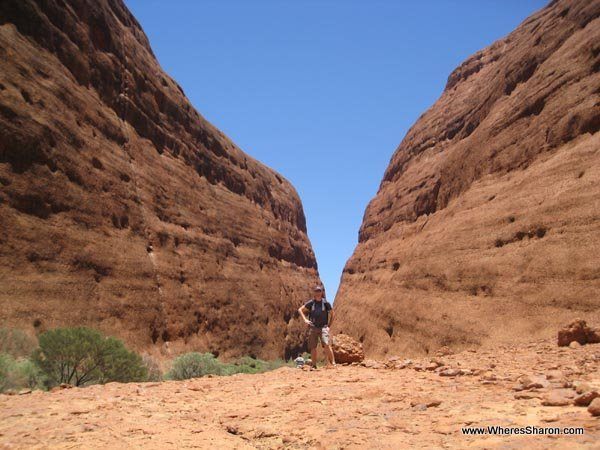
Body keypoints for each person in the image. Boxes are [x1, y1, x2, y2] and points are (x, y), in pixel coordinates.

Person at [298, 286, 336, 367]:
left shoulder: (326, 303)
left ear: (321, 293)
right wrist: (305, 319)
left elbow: (333, 313)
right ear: (314, 293)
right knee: (313, 347)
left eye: (319, 291)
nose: (318, 293)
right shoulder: (311, 303)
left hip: (323, 327)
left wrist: (329, 325)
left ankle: (333, 363)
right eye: (316, 291)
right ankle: (314, 365)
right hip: (313, 327)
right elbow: (300, 309)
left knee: (326, 344)